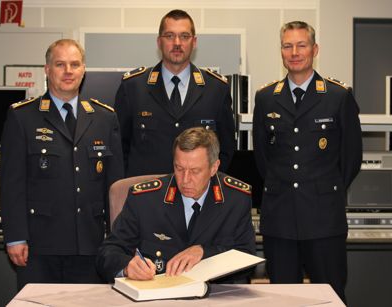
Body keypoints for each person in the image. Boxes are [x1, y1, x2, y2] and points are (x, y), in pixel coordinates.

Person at [0, 39, 124, 289]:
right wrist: (15, 238)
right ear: (47, 70)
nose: (68, 71)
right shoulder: (23, 116)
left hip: (91, 245)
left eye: (75, 64)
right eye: (60, 64)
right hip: (39, 245)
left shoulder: (104, 117)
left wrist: (120, 241)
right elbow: (12, 183)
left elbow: (115, 185)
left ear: (83, 70)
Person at [252, 21, 362, 302]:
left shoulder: (338, 96)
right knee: (282, 299)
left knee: (330, 298)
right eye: (287, 46)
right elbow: (264, 160)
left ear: (315, 49)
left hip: (324, 219)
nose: (294, 52)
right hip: (280, 221)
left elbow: (351, 159)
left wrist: (322, 190)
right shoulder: (265, 99)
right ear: (281, 51)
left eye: (301, 45)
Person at [96, 127, 255, 282]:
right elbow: (108, 252)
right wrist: (127, 267)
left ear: (214, 167)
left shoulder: (236, 199)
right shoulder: (144, 199)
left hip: (214, 297)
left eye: (194, 171)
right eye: (179, 168)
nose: (185, 179)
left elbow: (247, 259)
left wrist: (205, 252)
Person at [115, 9, 235, 177]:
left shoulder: (216, 89)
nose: (177, 43)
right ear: (159, 42)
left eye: (184, 36)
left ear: (194, 42)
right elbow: (119, 148)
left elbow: (226, 149)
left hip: (198, 196)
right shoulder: (133, 87)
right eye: (169, 36)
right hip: (147, 196)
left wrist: (207, 185)